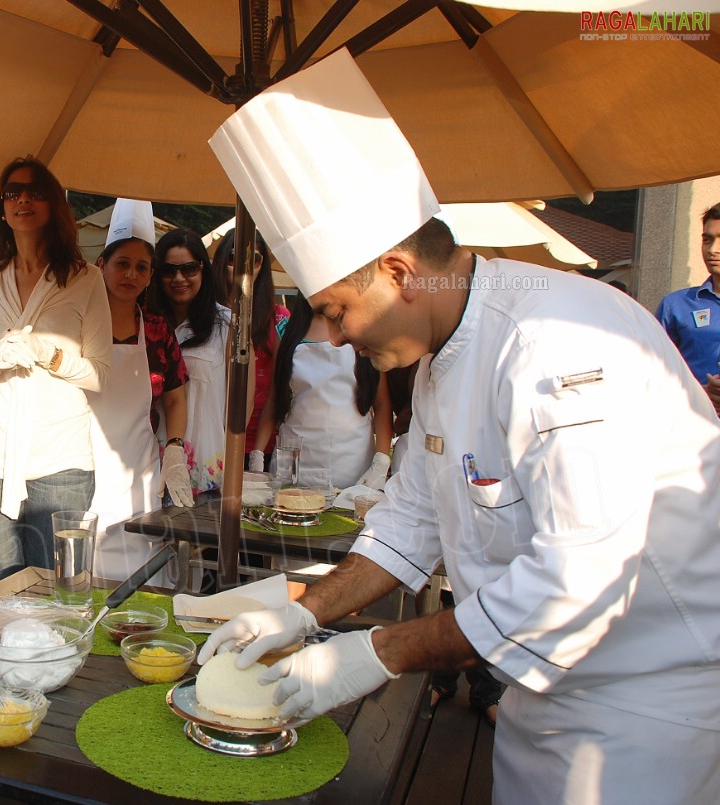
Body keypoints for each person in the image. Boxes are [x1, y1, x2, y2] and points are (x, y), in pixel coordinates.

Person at [205, 49, 720, 804]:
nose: (336, 338)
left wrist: (370, 653)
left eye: (339, 310)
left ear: (400, 274)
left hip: (645, 705)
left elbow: (572, 583)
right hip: (530, 693)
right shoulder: (440, 353)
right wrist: (298, 610)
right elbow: (410, 517)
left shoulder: (556, 341)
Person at [0, 156, 110, 584]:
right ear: (1, 207)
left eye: (35, 192)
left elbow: (100, 374)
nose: (23, 199)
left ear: (54, 205)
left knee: (61, 587)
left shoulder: (85, 279)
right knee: (0, 587)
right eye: (12, 192)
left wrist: (49, 354)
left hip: (60, 461)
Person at [87, 199, 191, 581]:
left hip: (140, 470)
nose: (130, 274)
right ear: (102, 265)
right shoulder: (77, 322)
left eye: (141, 267)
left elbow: (175, 395)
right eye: (122, 264)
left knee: (138, 573)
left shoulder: (158, 330)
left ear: (150, 276)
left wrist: (175, 448)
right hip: (82, 465)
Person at [252, 293, 392, 491]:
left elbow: (382, 403)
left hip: (352, 460)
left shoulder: (364, 329)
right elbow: (274, 399)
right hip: (295, 458)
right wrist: (257, 456)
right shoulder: (286, 333)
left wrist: (381, 461)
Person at [146, 228, 230, 497]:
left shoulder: (229, 325)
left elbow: (241, 406)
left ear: (204, 270)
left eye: (189, 268)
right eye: (169, 270)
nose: (179, 278)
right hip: (147, 461)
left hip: (206, 463)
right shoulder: (144, 324)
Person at [212, 229, 289, 466]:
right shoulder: (206, 314)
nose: (244, 267)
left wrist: (257, 451)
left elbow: (280, 384)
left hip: (262, 444)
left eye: (254, 259)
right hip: (213, 437)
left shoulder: (280, 317)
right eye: (235, 258)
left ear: (262, 265)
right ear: (223, 260)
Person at [656, 201, 720, 416]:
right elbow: (652, 372)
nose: (712, 250)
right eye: (707, 240)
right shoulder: (675, 306)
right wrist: (698, 392)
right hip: (691, 426)